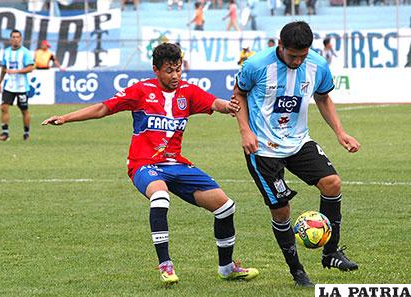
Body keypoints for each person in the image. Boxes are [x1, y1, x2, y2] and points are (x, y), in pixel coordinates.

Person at [42, 42, 259, 285]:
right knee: (160, 196)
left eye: (178, 69)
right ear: (156, 69)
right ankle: (166, 265)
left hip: (176, 165)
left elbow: (213, 103)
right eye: (169, 70)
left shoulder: (187, 92)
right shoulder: (141, 91)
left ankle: (227, 268)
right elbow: (104, 108)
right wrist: (65, 118)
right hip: (143, 164)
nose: (175, 75)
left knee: (225, 206)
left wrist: (227, 106)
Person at [232, 21, 360, 287]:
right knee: (281, 211)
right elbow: (239, 94)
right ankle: (297, 271)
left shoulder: (317, 65)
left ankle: (331, 252)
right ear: (280, 46)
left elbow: (323, 98)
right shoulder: (256, 65)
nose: (298, 61)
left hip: (298, 141)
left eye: (303, 55)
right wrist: (245, 130)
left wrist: (340, 132)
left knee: (332, 183)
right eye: (293, 56)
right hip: (263, 148)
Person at [0, 29, 34, 141]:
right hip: (9, 86)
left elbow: (30, 68)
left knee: (24, 110)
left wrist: (16, 71)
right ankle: (5, 133)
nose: (15, 39)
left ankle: (26, 133)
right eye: (13, 37)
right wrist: (0, 82)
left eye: (17, 37)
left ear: (21, 39)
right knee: (4, 107)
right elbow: (4, 68)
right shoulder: (6, 52)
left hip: (22, 87)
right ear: (10, 39)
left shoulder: (25, 52)